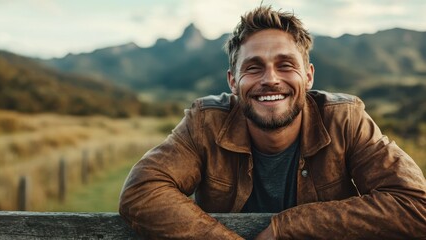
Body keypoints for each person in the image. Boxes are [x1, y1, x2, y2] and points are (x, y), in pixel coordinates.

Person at [119, 5, 426, 239]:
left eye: (285, 65)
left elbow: (415, 205)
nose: (270, 79)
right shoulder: (204, 123)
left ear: (308, 76)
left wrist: (286, 226)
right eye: (253, 68)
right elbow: (142, 191)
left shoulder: (345, 119)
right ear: (233, 81)